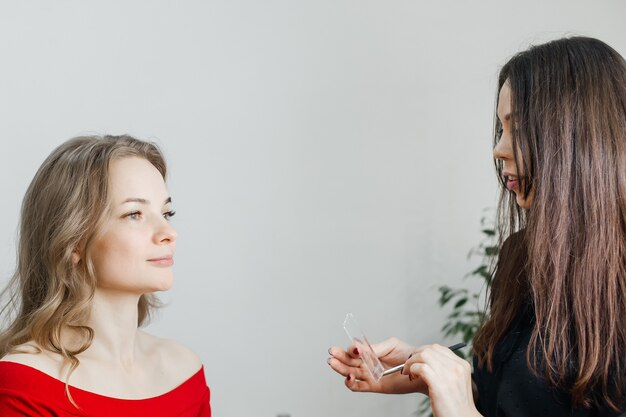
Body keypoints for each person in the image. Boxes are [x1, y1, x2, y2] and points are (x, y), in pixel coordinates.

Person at [327, 36, 626, 417]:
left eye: (516, 128)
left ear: (575, 139)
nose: (499, 149)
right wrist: (423, 372)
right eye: (500, 129)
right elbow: (510, 394)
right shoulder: (521, 254)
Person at [0, 135, 211, 416]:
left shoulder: (184, 370)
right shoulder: (22, 386)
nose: (168, 234)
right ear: (73, 241)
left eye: (166, 212)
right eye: (134, 214)